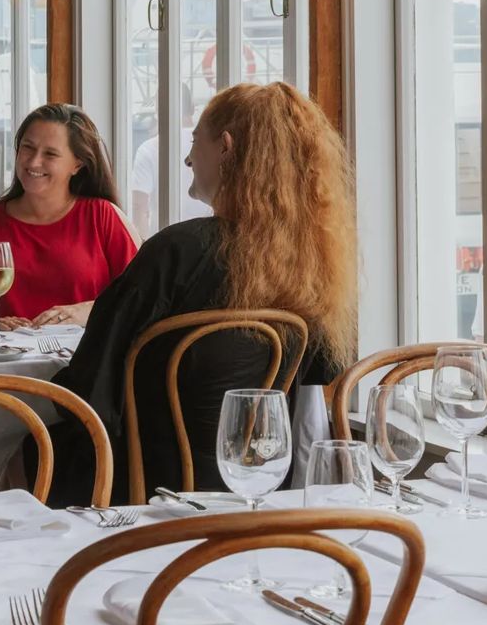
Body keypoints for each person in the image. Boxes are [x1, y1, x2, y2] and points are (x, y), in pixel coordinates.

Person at [39, 81, 358, 506]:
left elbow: (87, 387)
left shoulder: (176, 251)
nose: (188, 159)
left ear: (225, 147)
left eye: (195, 144)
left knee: (18, 450)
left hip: (145, 485)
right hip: (261, 483)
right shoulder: (311, 261)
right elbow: (326, 368)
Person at [0, 104, 138, 334]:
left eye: (50, 154)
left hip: (85, 366)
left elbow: (142, 300)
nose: (34, 162)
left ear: (77, 164)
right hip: (0, 368)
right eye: (28, 148)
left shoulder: (103, 217)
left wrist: (86, 311)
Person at [131, 84, 212, 235]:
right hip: (207, 238)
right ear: (193, 108)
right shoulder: (209, 144)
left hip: (164, 241)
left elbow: (138, 206)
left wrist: (142, 246)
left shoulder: (149, 148)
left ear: (157, 111)